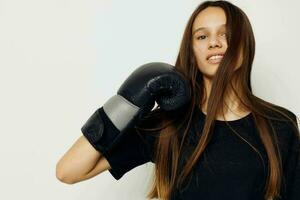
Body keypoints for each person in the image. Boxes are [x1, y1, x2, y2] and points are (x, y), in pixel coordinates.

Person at [56, 1, 300, 200]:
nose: (214, 42)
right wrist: (125, 102)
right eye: (202, 37)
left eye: (226, 34)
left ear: (245, 45)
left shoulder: (279, 124)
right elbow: (68, 171)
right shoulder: (170, 124)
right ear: (191, 50)